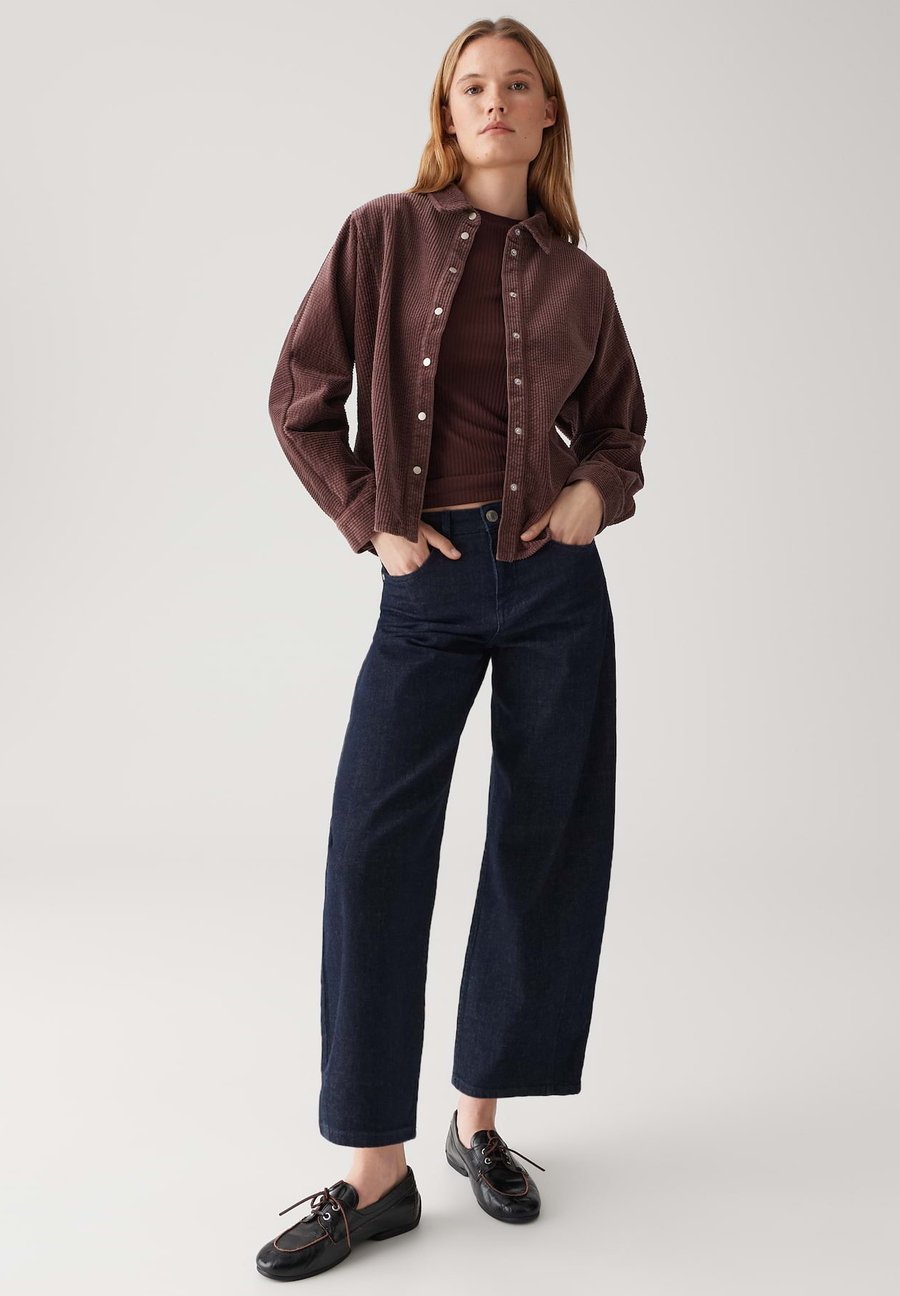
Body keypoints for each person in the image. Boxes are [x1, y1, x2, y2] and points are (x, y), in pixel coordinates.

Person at [255, 15, 647, 1281]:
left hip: (552, 590)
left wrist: (593, 494)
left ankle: (480, 1121)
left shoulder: (581, 281)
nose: (494, 101)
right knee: (374, 847)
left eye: (517, 85)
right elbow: (300, 397)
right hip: (425, 585)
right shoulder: (383, 234)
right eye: (472, 85)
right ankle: (376, 1172)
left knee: (541, 842)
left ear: (547, 114)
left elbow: (622, 432)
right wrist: (372, 522)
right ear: (447, 110)